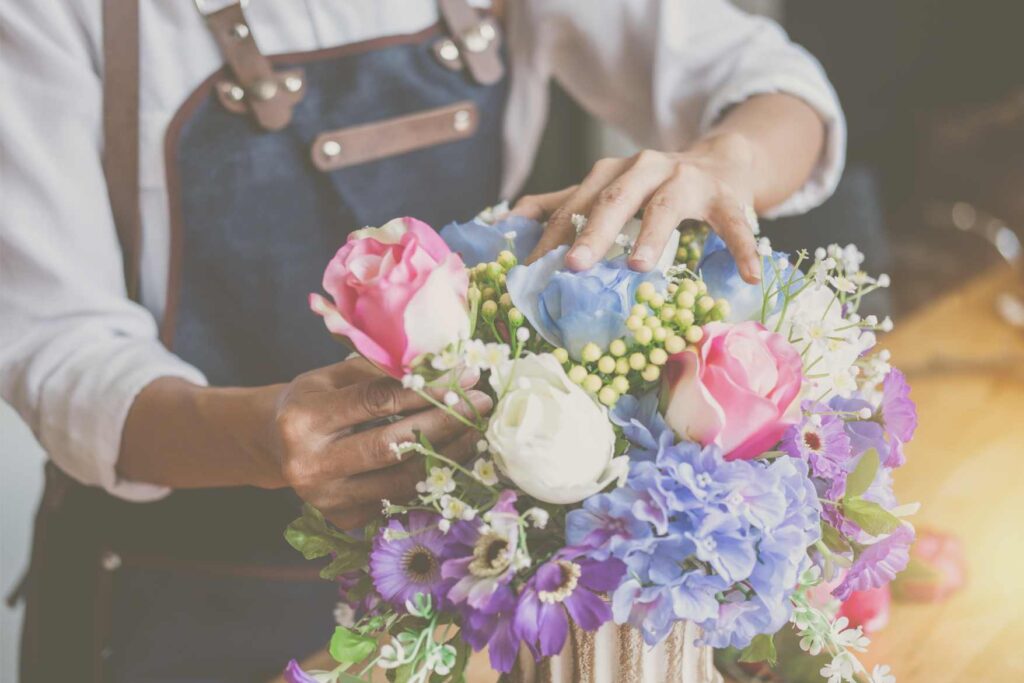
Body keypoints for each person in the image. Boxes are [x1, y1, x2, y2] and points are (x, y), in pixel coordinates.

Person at [0, 0, 844, 680]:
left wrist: (726, 160)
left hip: (447, 602)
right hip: (165, 602)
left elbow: (775, 86)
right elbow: (59, 348)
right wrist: (263, 438)